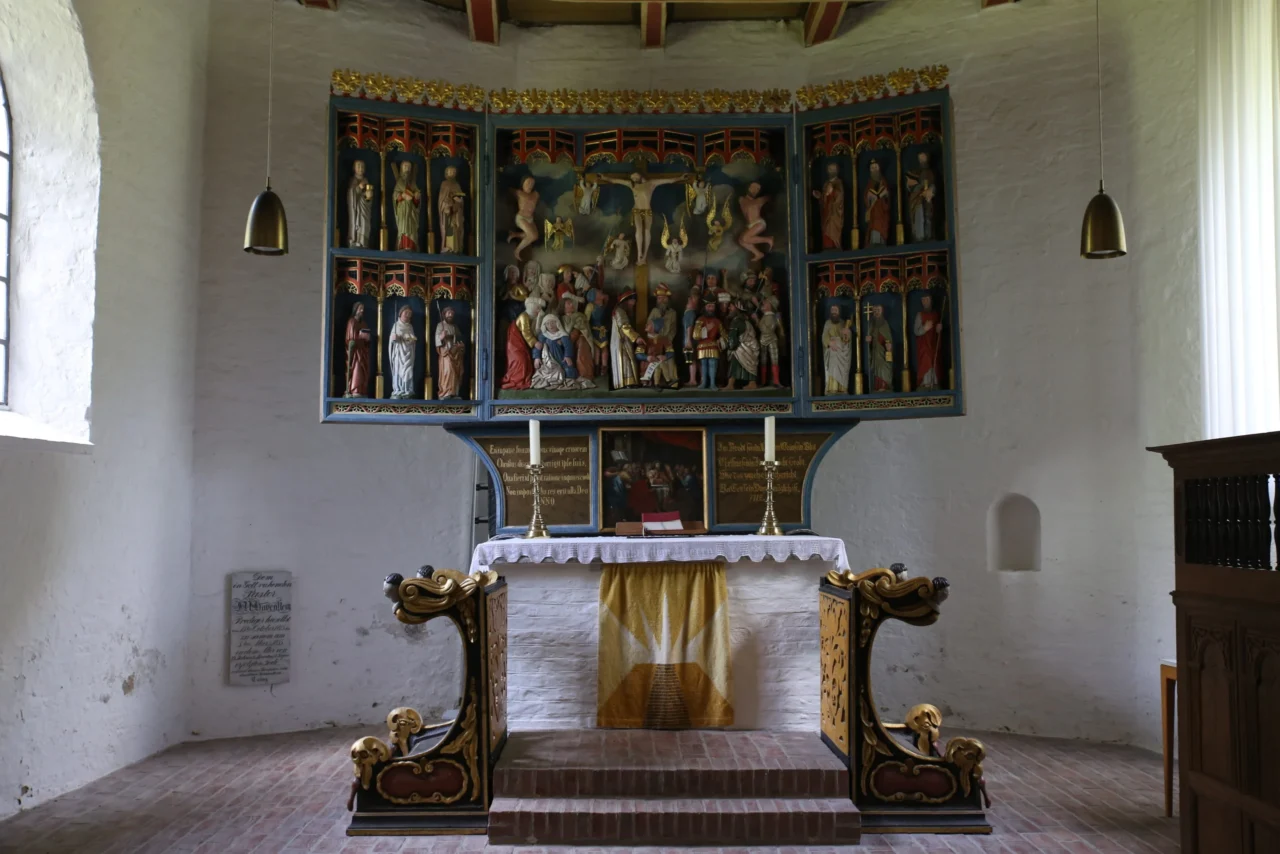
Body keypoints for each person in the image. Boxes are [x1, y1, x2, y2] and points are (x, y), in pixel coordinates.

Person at [595, 170, 692, 263]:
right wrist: (604, 177)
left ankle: (644, 255)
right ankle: (639, 255)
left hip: (647, 211)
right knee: (639, 230)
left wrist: (680, 178)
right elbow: (616, 181)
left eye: (634, 176)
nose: (633, 178)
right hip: (636, 211)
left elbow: (668, 181)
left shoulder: (651, 183)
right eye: (632, 177)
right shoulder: (632, 184)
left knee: (646, 231)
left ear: (640, 174)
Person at [500, 296, 542, 390]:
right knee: (519, 360)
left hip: (520, 342)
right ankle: (516, 379)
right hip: (514, 343)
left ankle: (521, 379)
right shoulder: (524, 316)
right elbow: (526, 332)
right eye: (537, 308)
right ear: (531, 307)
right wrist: (535, 343)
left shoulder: (532, 318)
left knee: (524, 360)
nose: (539, 311)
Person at [609, 289, 644, 390]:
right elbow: (624, 326)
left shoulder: (623, 311)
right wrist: (636, 337)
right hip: (620, 342)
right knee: (624, 361)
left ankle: (630, 382)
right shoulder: (619, 311)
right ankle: (626, 383)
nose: (634, 303)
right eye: (632, 300)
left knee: (628, 360)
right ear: (626, 301)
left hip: (625, 341)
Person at [726, 302, 760, 390]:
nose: (729, 308)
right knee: (747, 364)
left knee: (734, 363)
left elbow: (732, 336)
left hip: (742, 347)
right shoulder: (746, 321)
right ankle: (751, 382)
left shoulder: (736, 321)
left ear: (737, 309)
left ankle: (731, 384)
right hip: (750, 346)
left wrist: (731, 346)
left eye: (731, 307)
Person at [737, 182, 773, 262]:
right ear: (748, 187)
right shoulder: (741, 199)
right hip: (750, 225)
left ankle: (768, 239)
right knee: (741, 241)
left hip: (759, 223)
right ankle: (758, 253)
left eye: (757, 189)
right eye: (753, 187)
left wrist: (767, 197)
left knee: (745, 238)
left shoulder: (759, 200)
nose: (755, 190)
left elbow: (769, 198)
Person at [913, 294, 943, 390]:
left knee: (934, 360)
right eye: (923, 300)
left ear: (931, 301)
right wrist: (924, 328)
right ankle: (925, 382)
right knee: (925, 360)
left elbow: (938, 332)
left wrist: (938, 330)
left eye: (926, 299)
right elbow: (916, 331)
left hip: (933, 342)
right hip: (924, 344)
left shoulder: (935, 315)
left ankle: (934, 381)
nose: (925, 302)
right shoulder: (920, 315)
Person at [692, 301, 724, 390]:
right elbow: (695, 335)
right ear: (705, 307)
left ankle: (713, 383)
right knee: (704, 364)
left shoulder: (717, 321)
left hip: (713, 345)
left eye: (712, 306)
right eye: (708, 306)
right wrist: (706, 329)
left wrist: (721, 340)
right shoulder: (700, 320)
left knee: (713, 364)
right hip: (702, 345)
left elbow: (724, 334)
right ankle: (704, 382)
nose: (710, 308)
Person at [435, 306, 466, 399]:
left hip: (455, 351)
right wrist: (441, 337)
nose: (450, 315)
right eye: (449, 313)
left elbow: (460, 339)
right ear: (444, 314)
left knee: (456, 373)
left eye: (452, 313)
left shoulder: (455, 327)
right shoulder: (440, 325)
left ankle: (454, 393)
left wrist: (460, 345)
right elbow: (437, 339)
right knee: (448, 371)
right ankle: (446, 392)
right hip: (446, 352)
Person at [388, 305, 417, 399]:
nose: (408, 315)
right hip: (399, 353)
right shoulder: (396, 325)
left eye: (410, 314)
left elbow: (412, 339)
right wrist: (394, 338)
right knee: (398, 371)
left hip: (409, 353)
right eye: (406, 313)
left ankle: (407, 390)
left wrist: (412, 340)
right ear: (401, 313)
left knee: (408, 371)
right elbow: (392, 339)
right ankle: (398, 390)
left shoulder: (410, 326)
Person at [821, 304, 851, 395]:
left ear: (839, 312)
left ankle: (842, 388)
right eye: (832, 310)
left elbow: (846, 339)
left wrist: (847, 333)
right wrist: (829, 343)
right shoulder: (828, 323)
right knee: (833, 368)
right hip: (832, 350)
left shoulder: (842, 323)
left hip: (841, 350)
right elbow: (824, 335)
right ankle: (832, 388)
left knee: (842, 370)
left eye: (835, 310)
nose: (834, 312)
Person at [812, 161, 843, 250]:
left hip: (834, 214)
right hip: (826, 213)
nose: (831, 171)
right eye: (830, 169)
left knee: (832, 228)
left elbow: (840, 198)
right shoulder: (826, 184)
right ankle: (827, 247)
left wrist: (832, 192)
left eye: (833, 169)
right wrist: (820, 196)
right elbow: (824, 199)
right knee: (826, 231)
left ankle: (834, 247)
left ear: (837, 170)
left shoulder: (838, 183)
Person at [507, 176, 539, 261]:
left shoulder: (535, 194)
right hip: (521, 218)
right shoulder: (519, 193)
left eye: (532, 183)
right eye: (528, 183)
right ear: (523, 184)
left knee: (535, 236)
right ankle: (517, 251)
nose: (530, 185)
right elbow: (509, 190)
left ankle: (514, 234)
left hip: (530, 218)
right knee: (531, 235)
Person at [344, 303, 372, 398]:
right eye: (360, 308)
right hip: (355, 352)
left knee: (364, 371)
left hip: (363, 351)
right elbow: (350, 339)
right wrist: (360, 336)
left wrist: (367, 338)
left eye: (363, 309)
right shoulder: (352, 322)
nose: (362, 311)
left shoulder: (363, 323)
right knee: (357, 368)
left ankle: (362, 390)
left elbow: (367, 341)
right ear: (355, 310)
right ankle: (355, 389)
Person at [392, 161, 421, 251]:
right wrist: (402, 196)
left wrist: (417, 196)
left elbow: (417, 197)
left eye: (409, 167)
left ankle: (412, 246)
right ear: (401, 168)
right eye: (405, 166)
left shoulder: (413, 183)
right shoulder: (399, 182)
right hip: (403, 209)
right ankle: (403, 245)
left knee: (412, 228)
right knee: (403, 227)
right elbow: (395, 196)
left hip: (412, 210)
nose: (407, 169)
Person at [865, 303, 894, 391]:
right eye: (875, 311)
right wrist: (868, 341)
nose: (877, 313)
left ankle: (885, 385)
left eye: (878, 310)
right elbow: (869, 339)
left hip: (884, 351)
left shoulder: (885, 324)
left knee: (884, 368)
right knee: (876, 369)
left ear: (882, 312)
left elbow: (888, 339)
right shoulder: (871, 325)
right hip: (875, 352)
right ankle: (878, 386)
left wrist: (889, 347)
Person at [438, 165, 466, 253]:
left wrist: (459, 201)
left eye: (454, 172)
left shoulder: (457, 185)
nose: (452, 173)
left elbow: (460, 198)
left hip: (456, 212)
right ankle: (447, 247)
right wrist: (449, 202)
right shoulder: (444, 184)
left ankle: (456, 248)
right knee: (448, 229)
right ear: (447, 173)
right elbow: (442, 199)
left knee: (456, 228)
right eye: (450, 171)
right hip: (447, 212)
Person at [346, 160, 373, 248]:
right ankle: (356, 240)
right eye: (358, 166)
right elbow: (351, 194)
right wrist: (358, 188)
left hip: (365, 208)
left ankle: (363, 242)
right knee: (358, 224)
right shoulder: (353, 180)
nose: (360, 168)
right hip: (357, 210)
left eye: (362, 167)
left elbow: (368, 197)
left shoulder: (366, 180)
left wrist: (369, 196)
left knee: (365, 224)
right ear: (354, 168)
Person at [864, 159, 891, 246]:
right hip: (873, 211)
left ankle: (881, 242)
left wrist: (883, 196)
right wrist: (869, 196)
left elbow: (887, 196)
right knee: (874, 226)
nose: (874, 169)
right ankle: (874, 243)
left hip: (882, 211)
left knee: (881, 226)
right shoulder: (869, 184)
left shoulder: (883, 182)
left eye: (876, 167)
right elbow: (866, 197)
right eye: (872, 168)